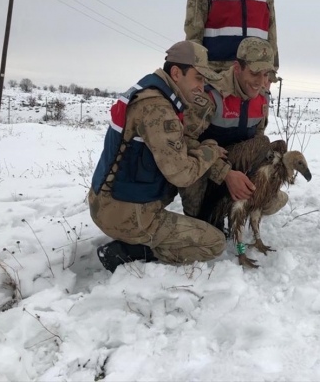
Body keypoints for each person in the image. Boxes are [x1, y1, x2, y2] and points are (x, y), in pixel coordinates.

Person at [88, 41, 232, 273]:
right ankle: (128, 252)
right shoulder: (158, 108)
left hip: (108, 200)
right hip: (123, 214)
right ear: (176, 73)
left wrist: (199, 152)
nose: (202, 87)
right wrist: (211, 151)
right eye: (198, 78)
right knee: (214, 243)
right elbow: (182, 174)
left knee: (192, 166)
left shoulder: (151, 90)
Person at [181, 37, 287, 227]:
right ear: (237, 68)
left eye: (266, 74)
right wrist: (226, 174)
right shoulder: (210, 95)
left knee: (275, 190)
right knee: (206, 231)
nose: (261, 82)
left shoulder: (261, 98)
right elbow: (183, 143)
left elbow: (256, 142)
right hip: (204, 172)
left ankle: (234, 208)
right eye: (255, 73)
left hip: (236, 167)